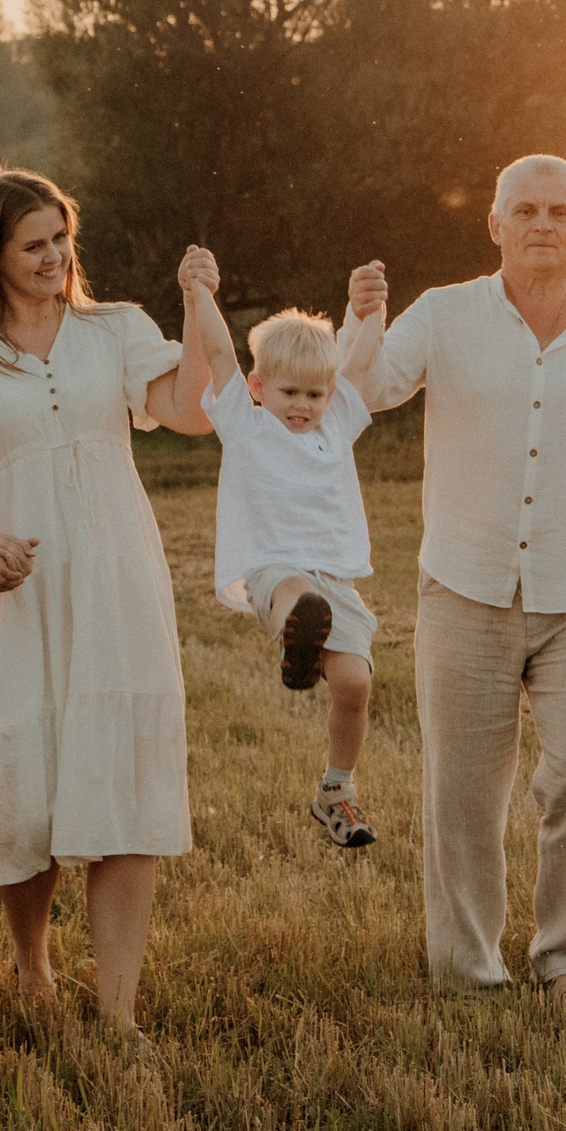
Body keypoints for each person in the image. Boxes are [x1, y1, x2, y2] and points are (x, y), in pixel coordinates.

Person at [344, 154, 566, 1017]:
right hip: (463, 589)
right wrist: (363, 319)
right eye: (526, 209)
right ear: (496, 225)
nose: (542, 223)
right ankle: (467, 973)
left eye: (560, 211)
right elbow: (367, 388)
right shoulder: (443, 315)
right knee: (464, 794)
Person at [0, 170, 214, 1034]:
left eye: (61, 237)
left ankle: (119, 1013)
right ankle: (33, 964)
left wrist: (196, 303)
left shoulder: (114, 330)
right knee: (25, 776)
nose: (53, 255)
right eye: (33, 243)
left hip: (114, 569)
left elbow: (190, 410)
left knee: (123, 780)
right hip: (17, 577)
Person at [179, 254, 388, 848]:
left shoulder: (335, 422)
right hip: (273, 572)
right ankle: (300, 631)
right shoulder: (245, 425)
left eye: (314, 394)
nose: (302, 404)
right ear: (257, 387)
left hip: (336, 579)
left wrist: (364, 306)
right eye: (289, 391)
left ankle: (336, 792)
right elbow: (220, 354)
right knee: (298, 595)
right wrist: (200, 293)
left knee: (354, 685)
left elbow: (359, 354)